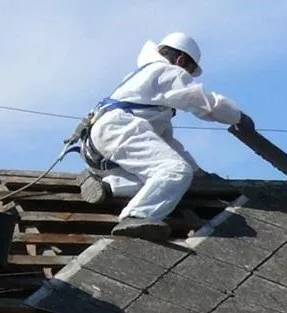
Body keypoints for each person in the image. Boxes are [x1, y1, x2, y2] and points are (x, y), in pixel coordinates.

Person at [75, 32, 256, 241]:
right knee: (176, 172)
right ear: (180, 61)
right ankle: (137, 216)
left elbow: (164, 143)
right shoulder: (167, 72)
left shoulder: (145, 82)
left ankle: (107, 186)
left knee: (169, 180)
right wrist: (237, 117)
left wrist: (197, 172)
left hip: (98, 147)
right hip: (119, 131)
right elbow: (205, 103)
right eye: (188, 70)